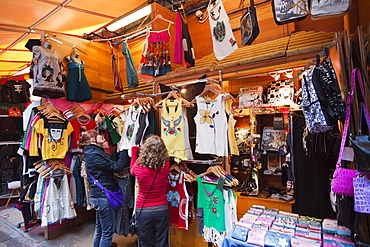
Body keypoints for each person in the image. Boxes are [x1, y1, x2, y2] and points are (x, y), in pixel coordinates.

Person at [78, 129, 128, 247]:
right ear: (93, 140)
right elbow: (116, 166)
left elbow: (110, 161)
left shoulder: (94, 152)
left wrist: (118, 149)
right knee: (107, 233)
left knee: (100, 229)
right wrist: (125, 151)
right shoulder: (94, 155)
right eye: (98, 135)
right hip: (103, 197)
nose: (102, 136)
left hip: (99, 196)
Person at [130, 135, 170, 247]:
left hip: (144, 210)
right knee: (162, 242)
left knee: (145, 242)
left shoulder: (138, 167)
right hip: (162, 209)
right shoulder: (165, 165)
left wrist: (134, 153)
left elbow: (132, 171)